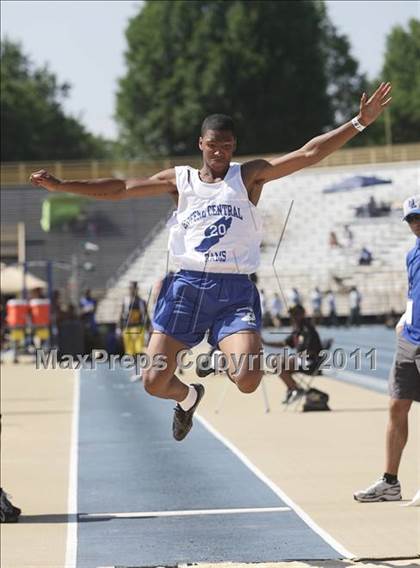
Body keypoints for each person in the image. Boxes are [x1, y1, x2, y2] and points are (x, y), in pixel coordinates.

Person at [30, 82, 392, 441]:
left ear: (234, 146)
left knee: (248, 380)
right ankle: (189, 397)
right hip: (186, 287)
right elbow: (121, 189)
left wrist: (358, 123)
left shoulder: (248, 176)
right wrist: (64, 186)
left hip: (234, 290)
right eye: (213, 145)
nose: (219, 152)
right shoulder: (180, 180)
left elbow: (308, 154)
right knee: (154, 382)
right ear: (201, 144)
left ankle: (223, 351)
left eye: (227, 145)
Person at [354, 195, 420, 503]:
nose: (417, 223)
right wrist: (405, 318)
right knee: (397, 406)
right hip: (409, 337)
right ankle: (390, 482)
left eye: (419, 217)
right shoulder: (411, 254)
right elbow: (413, 292)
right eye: (412, 219)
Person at [262, 304, 323, 404]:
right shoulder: (297, 330)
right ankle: (293, 389)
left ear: (302, 314)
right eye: (292, 314)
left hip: (311, 363)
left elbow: (312, 351)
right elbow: (283, 344)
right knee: (277, 362)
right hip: (301, 361)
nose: (293, 317)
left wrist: (293, 358)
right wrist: (265, 342)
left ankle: (295, 389)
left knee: (280, 363)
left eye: (296, 314)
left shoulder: (308, 329)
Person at [119, 282, 149, 359]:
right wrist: (119, 327)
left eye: (133, 288)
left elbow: (145, 315)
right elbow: (121, 314)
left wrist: (147, 327)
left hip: (138, 327)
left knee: (138, 349)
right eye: (130, 288)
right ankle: (131, 366)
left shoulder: (141, 302)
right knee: (129, 351)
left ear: (136, 289)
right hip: (127, 327)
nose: (131, 290)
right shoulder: (125, 301)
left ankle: (139, 365)